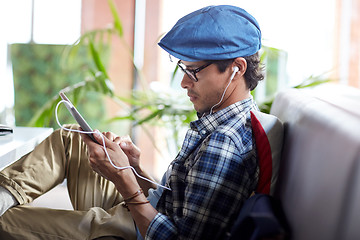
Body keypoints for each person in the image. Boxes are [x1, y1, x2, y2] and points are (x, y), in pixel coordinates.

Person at [0, 5, 265, 239]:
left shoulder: (224, 143)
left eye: (194, 71)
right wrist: (135, 168)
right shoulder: (222, 121)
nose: (184, 82)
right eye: (183, 69)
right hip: (142, 214)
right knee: (71, 138)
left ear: (237, 68)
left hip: (136, 230)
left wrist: (123, 179)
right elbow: (174, 202)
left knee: (4, 222)